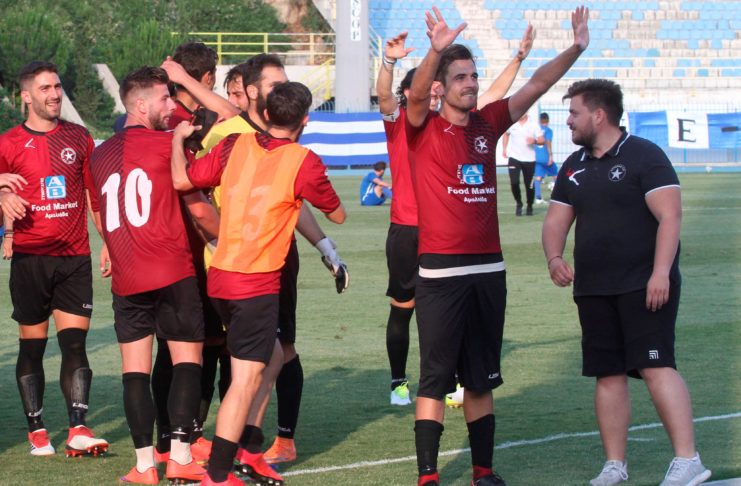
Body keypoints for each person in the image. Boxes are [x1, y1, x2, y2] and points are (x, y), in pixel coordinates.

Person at [405, 6, 589, 485]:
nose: (471, 83)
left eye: (474, 75)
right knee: (435, 378)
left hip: (489, 269)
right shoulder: (422, 126)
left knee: (482, 377)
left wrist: (575, 48)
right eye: (461, 77)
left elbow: (538, 85)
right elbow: (417, 94)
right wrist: (434, 52)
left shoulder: (488, 122)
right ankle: (428, 476)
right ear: (442, 85)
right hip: (441, 272)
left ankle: (483, 472)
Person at [163, 53, 349, 471]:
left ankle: (249, 451)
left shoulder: (234, 144)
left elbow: (182, 180)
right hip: (255, 279)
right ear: (305, 121)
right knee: (245, 377)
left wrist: (176, 142)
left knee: (273, 356)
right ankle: (220, 471)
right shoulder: (296, 158)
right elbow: (337, 213)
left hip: (222, 270)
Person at [542, 79, 711, 486]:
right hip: (593, 288)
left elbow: (670, 216)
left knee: (655, 365)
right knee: (608, 373)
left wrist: (660, 273)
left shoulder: (645, 155)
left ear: (599, 115)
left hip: (644, 284)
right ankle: (614, 465)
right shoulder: (573, 165)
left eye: (574, 113)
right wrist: (555, 257)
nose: (569, 121)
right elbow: (556, 220)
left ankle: (688, 459)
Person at [376, 27, 533, 407]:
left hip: (448, 236)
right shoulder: (403, 122)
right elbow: (384, 96)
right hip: (409, 229)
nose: (432, 91)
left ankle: (456, 382)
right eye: (426, 85)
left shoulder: (460, 124)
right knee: (403, 308)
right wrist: (389, 62)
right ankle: (399, 382)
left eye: (435, 86)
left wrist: (518, 59)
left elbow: (494, 96)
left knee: (453, 313)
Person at [90, 66, 220, 485]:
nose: (172, 106)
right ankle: (180, 456)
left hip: (127, 279)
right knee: (187, 363)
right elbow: (198, 207)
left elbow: (99, 210)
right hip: (171, 270)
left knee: (134, 373)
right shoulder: (169, 144)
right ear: (142, 104)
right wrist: (224, 239)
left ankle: (144, 466)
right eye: (165, 98)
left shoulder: (99, 154)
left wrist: (111, 244)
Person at [0, 61, 110, 458]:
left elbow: (93, 195)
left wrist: (108, 242)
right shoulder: (9, 143)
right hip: (30, 259)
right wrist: (2, 197)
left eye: (57, 87)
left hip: (74, 257)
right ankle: (37, 430)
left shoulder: (79, 137)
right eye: (45, 88)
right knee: (32, 348)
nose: (55, 94)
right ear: (26, 96)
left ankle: (78, 426)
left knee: (75, 345)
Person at [149, 41, 229, 465]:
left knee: (182, 346)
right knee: (197, 347)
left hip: (166, 246)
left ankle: (174, 437)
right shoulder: (190, 121)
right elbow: (232, 116)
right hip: (195, 248)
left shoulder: (160, 117)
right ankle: (183, 435)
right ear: (209, 78)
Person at [502, 113, 544, 215]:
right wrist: (504, 149)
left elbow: (542, 140)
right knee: (514, 182)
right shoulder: (512, 122)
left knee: (529, 185)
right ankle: (519, 203)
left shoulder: (534, 124)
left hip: (529, 159)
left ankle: (529, 205)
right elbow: (506, 134)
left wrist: (534, 141)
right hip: (514, 157)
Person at [533, 112, 558, 204]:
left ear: (540, 120)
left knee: (538, 177)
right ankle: (557, 193)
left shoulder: (536, 130)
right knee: (556, 174)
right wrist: (550, 156)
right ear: (548, 121)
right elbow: (548, 142)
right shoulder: (548, 130)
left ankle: (538, 198)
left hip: (537, 157)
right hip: (546, 157)